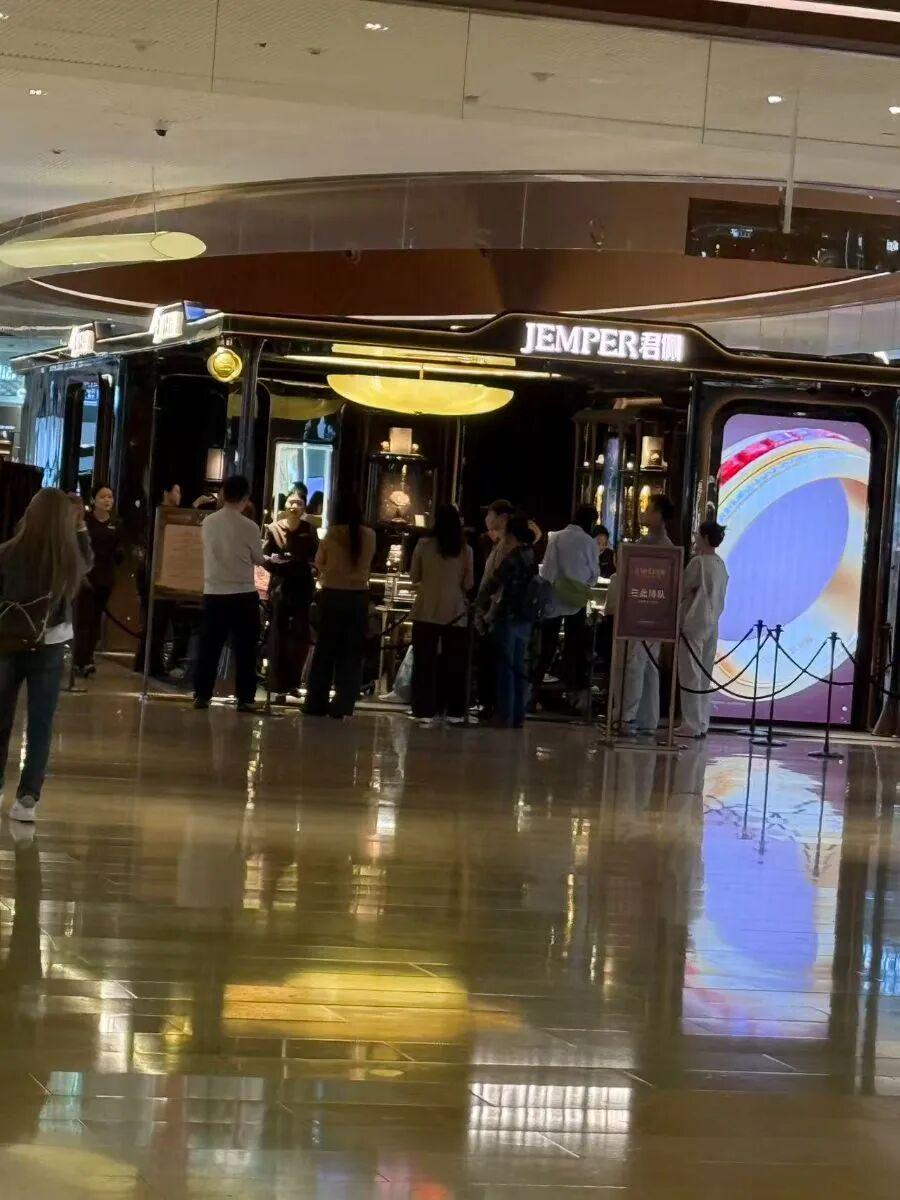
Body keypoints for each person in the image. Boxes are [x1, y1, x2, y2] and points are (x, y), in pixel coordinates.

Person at [0, 489, 93, 823]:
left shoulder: (7, 553)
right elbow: (88, 562)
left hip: (6, 643)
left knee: (1, 718)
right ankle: (27, 798)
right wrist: (80, 528)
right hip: (50, 644)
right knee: (40, 723)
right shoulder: (68, 560)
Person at [193, 474, 266, 713]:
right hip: (243, 592)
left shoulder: (209, 522)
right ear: (245, 497)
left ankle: (202, 695)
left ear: (223, 493)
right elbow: (258, 558)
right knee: (246, 649)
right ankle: (245, 698)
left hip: (214, 591)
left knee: (209, 647)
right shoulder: (250, 526)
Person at [304, 493, 375, 719]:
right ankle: (344, 703)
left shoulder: (331, 534)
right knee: (351, 654)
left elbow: (319, 562)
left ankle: (316, 702)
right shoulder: (370, 535)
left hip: (332, 596)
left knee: (325, 651)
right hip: (358, 598)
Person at [612, 494, 675, 736]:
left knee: (637, 664)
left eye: (649, 509)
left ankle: (628, 716)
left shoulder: (662, 548)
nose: (644, 513)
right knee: (647, 665)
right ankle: (647, 718)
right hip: (646, 614)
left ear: (658, 515)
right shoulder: (647, 544)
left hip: (646, 615)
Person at [409, 504, 474, 727]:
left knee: (424, 662)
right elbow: (469, 583)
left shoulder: (423, 545)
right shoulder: (465, 550)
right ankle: (454, 709)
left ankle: (423, 708)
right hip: (455, 612)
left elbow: (414, 576)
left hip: (426, 608)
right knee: (454, 663)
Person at [535, 503, 599, 711]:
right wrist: (581, 584)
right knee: (575, 648)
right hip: (577, 601)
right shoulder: (589, 542)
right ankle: (574, 695)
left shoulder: (556, 538)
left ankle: (534, 692)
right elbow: (594, 574)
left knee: (546, 648)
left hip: (554, 599)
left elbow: (547, 571)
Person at [477, 513, 538, 729]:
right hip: (525, 618)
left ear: (511, 534)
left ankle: (504, 714)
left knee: (505, 668)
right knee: (519, 667)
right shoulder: (531, 554)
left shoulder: (512, 557)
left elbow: (493, 583)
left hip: (507, 616)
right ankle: (518, 715)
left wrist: (478, 605)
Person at [263, 490, 318, 704]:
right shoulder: (274, 528)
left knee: (300, 636)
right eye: (291, 502)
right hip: (281, 586)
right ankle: (277, 683)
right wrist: (274, 563)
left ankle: (294, 682)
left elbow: (316, 557)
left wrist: (310, 567)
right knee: (279, 635)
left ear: (304, 507)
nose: (294, 506)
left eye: (299, 502)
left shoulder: (309, 529)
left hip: (302, 587)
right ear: (285, 505)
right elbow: (265, 556)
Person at [678, 520, 729, 739]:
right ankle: (701, 722)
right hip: (712, 622)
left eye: (698, 535)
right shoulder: (720, 564)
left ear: (706, 537)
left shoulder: (698, 563)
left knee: (690, 674)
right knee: (705, 673)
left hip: (694, 622)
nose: (696, 538)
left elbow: (682, 588)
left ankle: (690, 723)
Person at [72, 483, 122, 677]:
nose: (107, 500)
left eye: (110, 496)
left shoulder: (116, 523)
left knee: (95, 620)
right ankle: (80, 661)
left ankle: (89, 658)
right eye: (103, 496)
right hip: (86, 576)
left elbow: (118, 549)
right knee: (83, 619)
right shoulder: (85, 520)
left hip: (105, 577)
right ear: (94, 500)